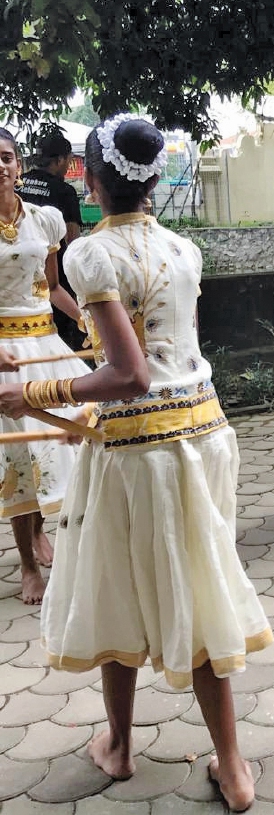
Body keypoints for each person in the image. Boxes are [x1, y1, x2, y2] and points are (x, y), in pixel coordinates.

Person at [22, 115, 271, 811]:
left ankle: (122, 747)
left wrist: (32, 392)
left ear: (90, 179)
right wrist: (76, 405)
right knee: (196, 585)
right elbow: (161, 361)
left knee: (114, 584)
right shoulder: (183, 248)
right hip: (204, 433)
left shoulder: (88, 255)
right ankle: (232, 765)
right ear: (154, 179)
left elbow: (129, 374)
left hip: (139, 451)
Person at [0, 127, 90, 605]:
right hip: (3, 354)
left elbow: (52, 287)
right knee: (16, 455)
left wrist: (87, 319)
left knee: (56, 445)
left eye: (7, 157)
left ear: (19, 165)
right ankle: (28, 566)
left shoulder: (46, 220)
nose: (1, 166)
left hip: (46, 346)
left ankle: (45, 534)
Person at [19, 129, 85, 346]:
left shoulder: (18, 185)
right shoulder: (64, 191)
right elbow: (73, 241)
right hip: (54, 272)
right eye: (68, 160)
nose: (68, 166)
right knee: (58, 335)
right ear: (59, 160)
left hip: (18, 270)